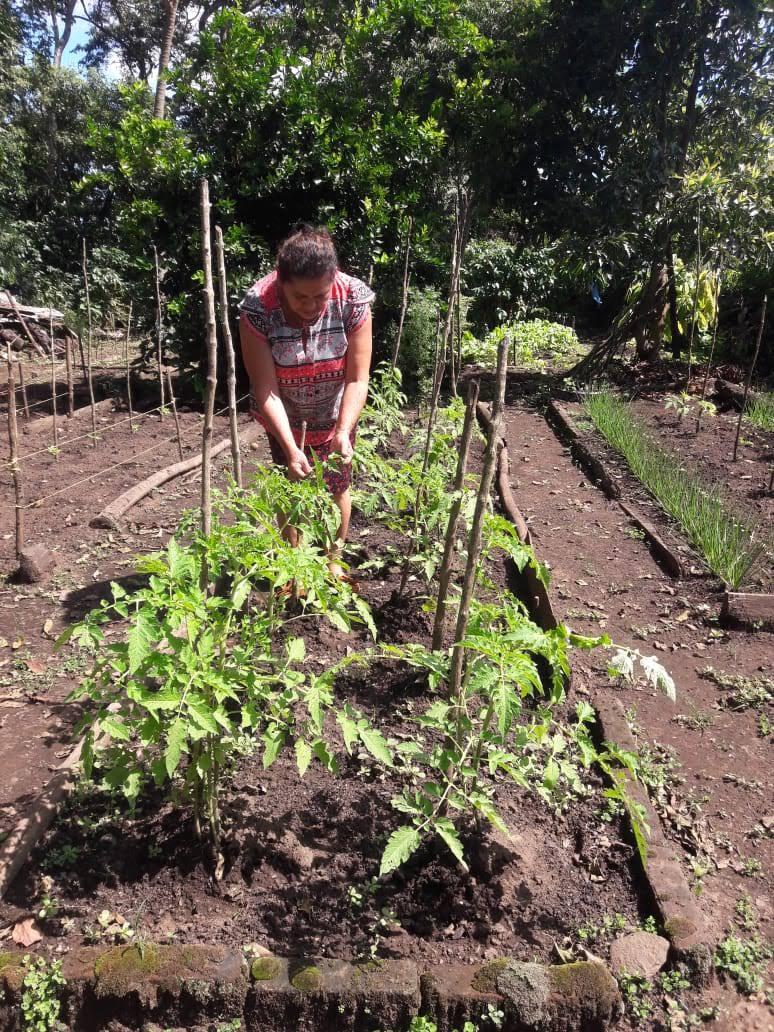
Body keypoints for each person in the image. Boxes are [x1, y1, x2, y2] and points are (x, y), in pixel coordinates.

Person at [238, 225, 373, 576]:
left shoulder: (353, 298)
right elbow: (265, 387)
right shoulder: (258, 307)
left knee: (337, 485)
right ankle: (294, 566)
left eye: (321, 296)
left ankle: (332, 563)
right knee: (290, 485)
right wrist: (290, 446)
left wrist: (343, 430)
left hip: (335, 410)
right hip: (285, 413)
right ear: (281, 283)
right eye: (301, 298)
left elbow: (358, 378)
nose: (312, 306)